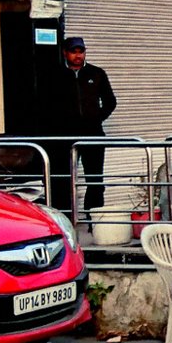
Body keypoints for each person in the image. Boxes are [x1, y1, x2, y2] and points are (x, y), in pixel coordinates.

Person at [45, 36, 117, 218]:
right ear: (65, 53)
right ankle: (65, 219)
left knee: (95, 180)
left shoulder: (96, 73)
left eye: (81, 51)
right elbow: (44, 104)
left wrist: (96, 118)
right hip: (64, 137)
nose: (78, 55)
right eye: (73, 51)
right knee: (63, 180)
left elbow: (110, 101)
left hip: (93, 135)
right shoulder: (54, 75)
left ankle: (95, 221)